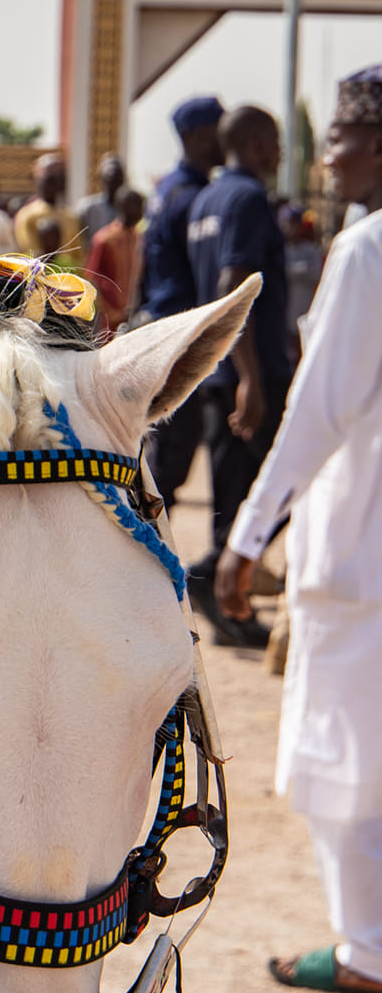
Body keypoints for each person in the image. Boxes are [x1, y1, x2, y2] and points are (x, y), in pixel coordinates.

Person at [215, 67, 382, 993]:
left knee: (339, 759)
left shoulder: (364, 253)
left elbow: (316, 414)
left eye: (342, 137)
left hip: (357, 549)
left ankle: (364, 947)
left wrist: (244, 536)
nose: (325, 156)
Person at [185, 104, 291, 648]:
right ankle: (213, 576)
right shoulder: (248, 198)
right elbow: (235, 284)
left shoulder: (206, 199)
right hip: (252, 374)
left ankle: (229, 606)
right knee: (285, 487)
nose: (278, 154)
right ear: (252, 141)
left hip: (216, 373)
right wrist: (251, 377)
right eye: (273, 142)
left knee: (235, 495)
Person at [138, 95, 224, 509]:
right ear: (196, 136)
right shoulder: (191, 196)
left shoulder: (168, 188)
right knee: (173, 444)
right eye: (216, 129)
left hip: (161, 317)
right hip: (179, 325)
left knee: (168, 442)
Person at [85, 186, 145, 336]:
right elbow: (92, 276)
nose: (139, 211)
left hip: (136, 316)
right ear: (121, 206)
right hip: (109, 317)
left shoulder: (141, 238)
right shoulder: (104, 239)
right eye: (135, 206)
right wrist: (111, 309)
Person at [13, 152, 82, 266]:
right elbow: (28, 253)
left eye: (59, 177)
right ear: (38, 179)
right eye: (50, 178)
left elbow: (78, 256)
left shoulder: (71, 216)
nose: (54, 183)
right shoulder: (27, 215)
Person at [280, 204, 324, 365]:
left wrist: (297, 271)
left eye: (294, 224)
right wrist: (301, 270)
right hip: (288, 306)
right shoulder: (281, 250)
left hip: (305, 304)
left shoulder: (310, 250)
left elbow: (317, 275)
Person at [75, 151, 126, 253]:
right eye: (109, 178)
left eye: (116, 179)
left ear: (122, 180)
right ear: (100, 179)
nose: (112, 184)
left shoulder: (127, 210)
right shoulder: (87, 208)